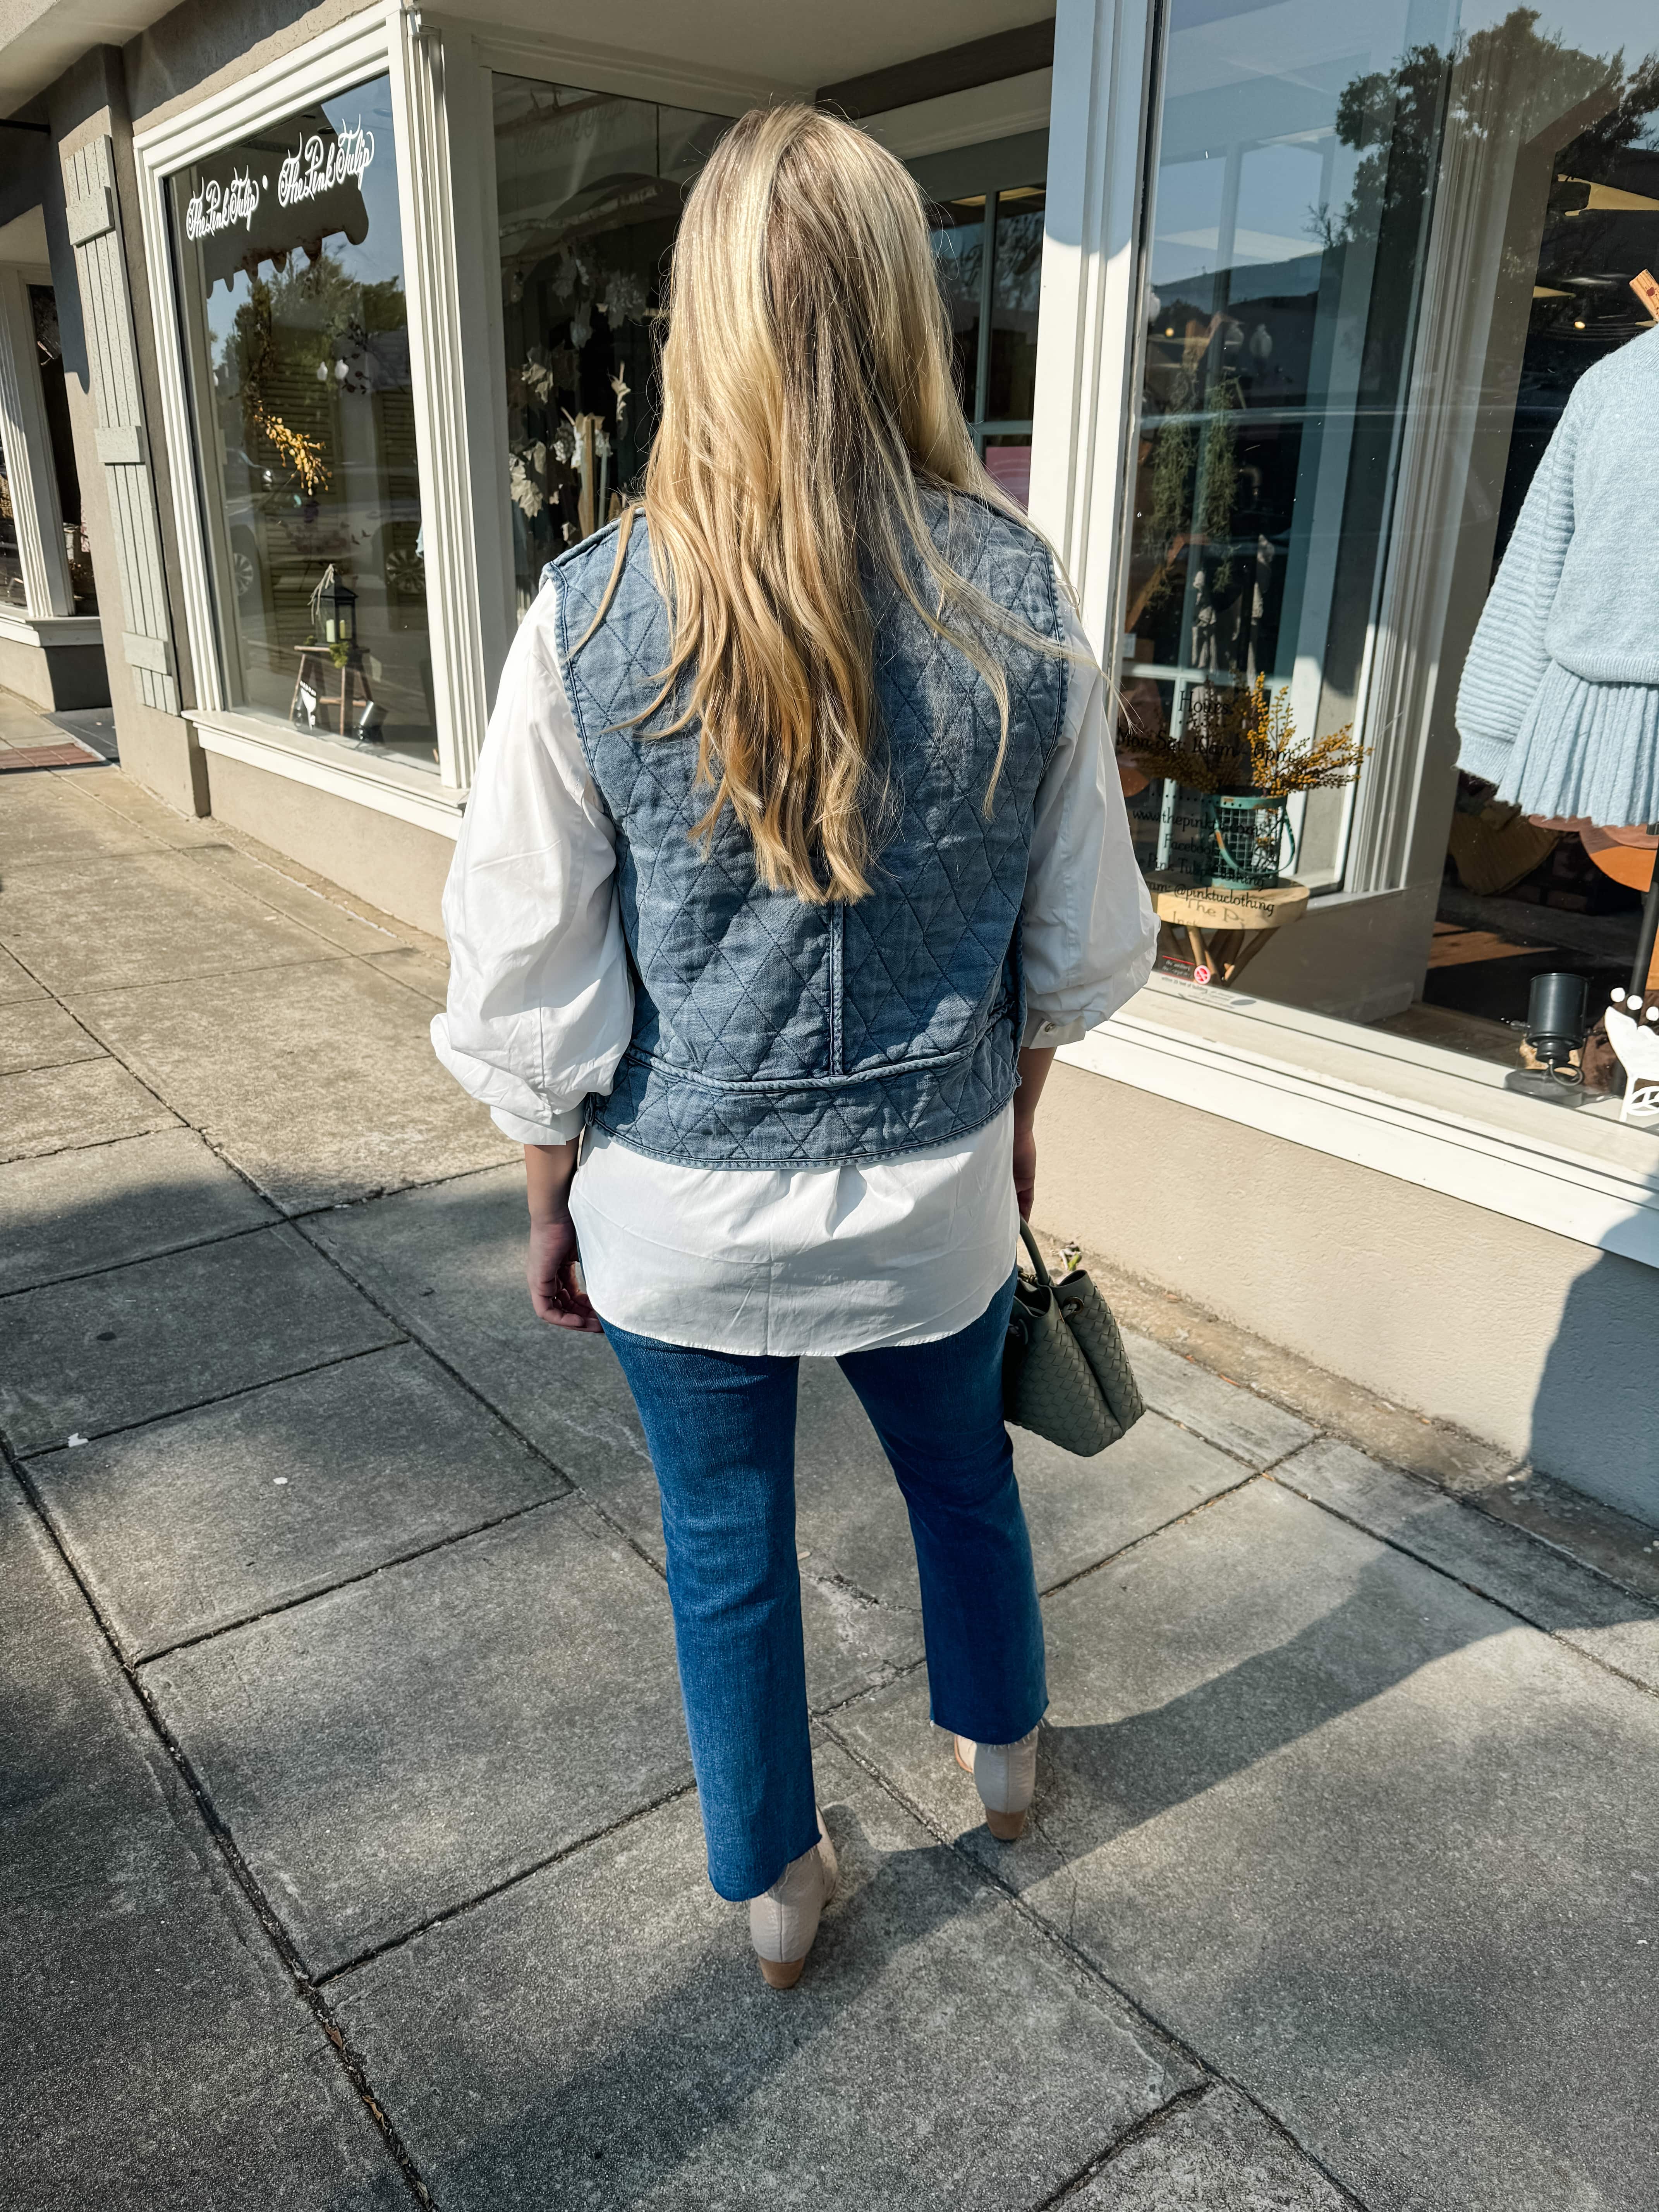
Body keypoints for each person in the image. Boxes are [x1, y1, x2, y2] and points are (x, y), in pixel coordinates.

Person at [433, 104, 1156, 1988]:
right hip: (930, 1193)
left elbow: (532, 973)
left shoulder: (592, 608)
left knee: (726, 1538)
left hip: (677, 1195)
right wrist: (1013, 1127)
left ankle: (772, 1889)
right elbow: (1076, 943)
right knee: (962, 1479)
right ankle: (1001, 1764)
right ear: (905, 310)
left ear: (706, 323)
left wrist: (546, 1193)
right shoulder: (1017, 589)